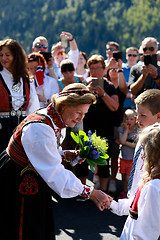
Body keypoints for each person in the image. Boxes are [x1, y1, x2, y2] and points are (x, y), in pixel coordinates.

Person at [0, 83, 112, 240]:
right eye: (78, 112)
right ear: (64, 105)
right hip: (19, 180)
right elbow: (54, 174)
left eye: (84, 114)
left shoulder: (55, 118)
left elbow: (44, 152)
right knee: (23, 227)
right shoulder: (40, 128)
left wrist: (64, 154)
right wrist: (90, 192)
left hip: (33, 175)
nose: (81, 118)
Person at [109, 123, 160, 240]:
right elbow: (140, 203)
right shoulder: (153, 181)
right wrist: (112, 204)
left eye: (144, 149)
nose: (141, 154)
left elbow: (147, 233)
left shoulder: (154, 186)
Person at [84, 54, 119, 192]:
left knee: (104, 162)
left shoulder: (109, 86)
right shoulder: (85, 85)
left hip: (105, 129)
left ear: (103, 69)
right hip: (88, 129)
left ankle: (103, 193)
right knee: (83, 161)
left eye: (98, 68)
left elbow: (115, 106)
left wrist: (103, 94)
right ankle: (83, 192)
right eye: (92, 69)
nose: (94, 72)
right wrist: (87, 92)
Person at [0, 39, 40, 153]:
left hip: (22, 129)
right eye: (1, 55)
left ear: (16, 56)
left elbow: (33, 108)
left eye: (7, 55)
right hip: (2, 129)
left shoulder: (26, 80)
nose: (3, 58)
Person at [127, 89, 160, 198]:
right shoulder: (143, 135)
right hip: (136, 197)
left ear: (158, 116)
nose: (138, 120)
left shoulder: (156, 144)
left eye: (143, 115)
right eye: (137, 114)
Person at [105, 59, 128, 194]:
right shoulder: (104, 84)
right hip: (102, 122)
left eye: (117, 70)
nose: (113, 71)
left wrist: (119, 68)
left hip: (116, 124)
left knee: (114, 154)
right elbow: (98, 77)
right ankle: (99, 176)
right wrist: (108, 65)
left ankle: (113, 179)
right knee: (100, 152)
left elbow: (124, 88)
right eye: (111, 69)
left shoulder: (121, 86)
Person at [118, 109, 139, 198]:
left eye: (131, 119)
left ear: (136, 120)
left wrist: (125, 143)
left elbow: (136, 145)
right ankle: (124, 190)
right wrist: (126, 130)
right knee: (123, 177)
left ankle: (129, 193)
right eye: (127, 119)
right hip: (123, 157)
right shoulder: (121, 129)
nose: (128, 121)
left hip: (132, 159)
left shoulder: (138, 131)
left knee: (128, 178)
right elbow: (121, 140)